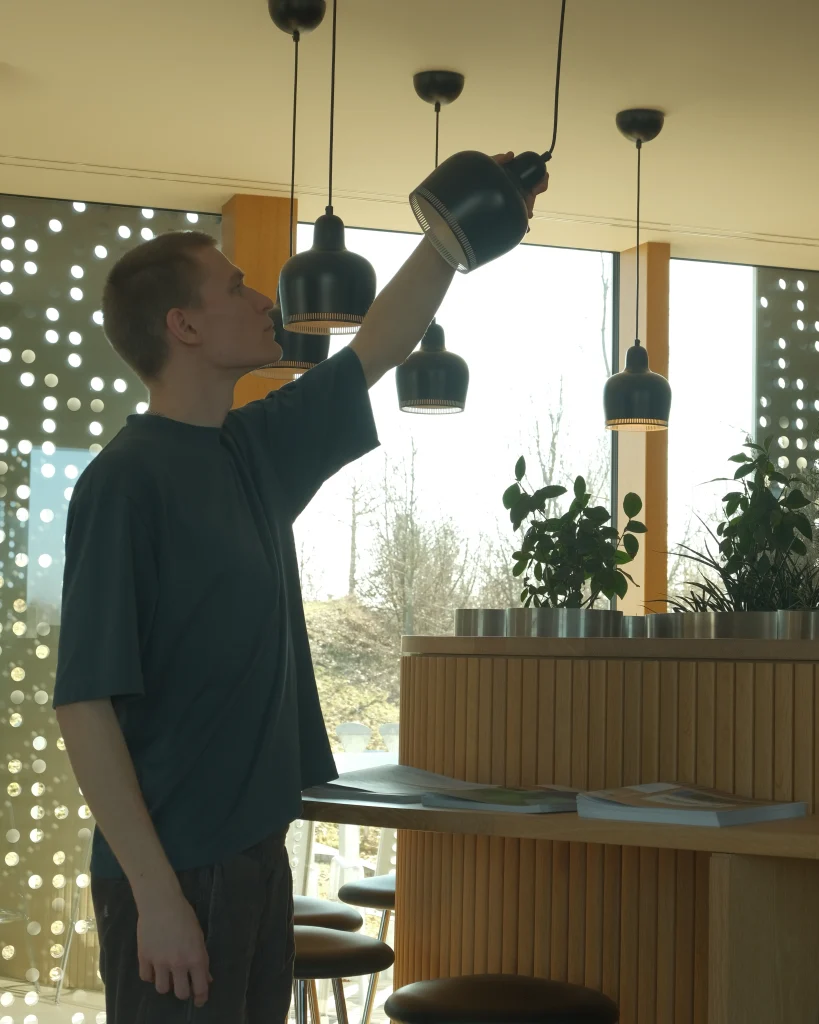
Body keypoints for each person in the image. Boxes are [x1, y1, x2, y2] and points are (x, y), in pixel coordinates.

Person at [53, 157, 547, 1023]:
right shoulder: (124, 482)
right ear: (183, 326)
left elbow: (376, 349)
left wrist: (452, 235)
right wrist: (157, 896)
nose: (262, 300)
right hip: (174, 870)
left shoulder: (253, 449)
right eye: (235, 287)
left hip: (254, 851)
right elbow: (84, 706)